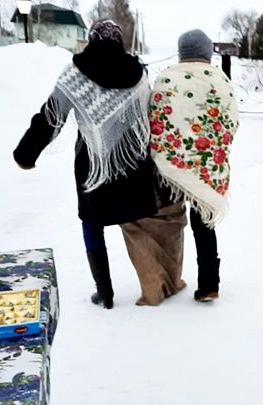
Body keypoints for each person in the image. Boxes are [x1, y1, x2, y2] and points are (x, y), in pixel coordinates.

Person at [14, 20, 172, 309]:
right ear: (119, 41)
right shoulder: (138, 73)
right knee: (138, 221)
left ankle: (105, 292)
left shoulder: (76, 72)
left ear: (92, 39)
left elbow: (50, 117)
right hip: (132, 163)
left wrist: (26, 154)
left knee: (92, 224)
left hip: (93, 165)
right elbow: (148, 116)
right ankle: (156, 283)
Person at [147, 29, 239, 302]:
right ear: (207, 52)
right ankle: (209, 284)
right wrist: (212, 150)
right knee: (204, 225)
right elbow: (230, 122)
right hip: (207, 166)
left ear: (182, 52)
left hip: (169, 166)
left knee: (168, 223)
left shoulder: (166, 79)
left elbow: (155, 120)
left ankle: (163, 283)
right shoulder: (220, 80)